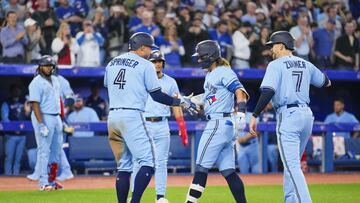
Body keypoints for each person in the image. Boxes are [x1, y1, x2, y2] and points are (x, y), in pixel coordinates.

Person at [104, 32, 196, 203]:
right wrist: (181, 103)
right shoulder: (145, 65)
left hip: (113, 116)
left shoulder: (112, 62)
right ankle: (135, 201)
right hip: (132, 115)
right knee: (150, 162)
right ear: (142, 47)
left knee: (124, 166)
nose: (150, 52)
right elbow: (158, 97)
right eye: (149, 48)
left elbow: (107, 85)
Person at [249, 31, 331, 203]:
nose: (271, 49)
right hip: (306, 115)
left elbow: (268, 91)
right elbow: (326, 82)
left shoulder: (275, 64)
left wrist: (255, 114)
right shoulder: (306, 63)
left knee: (292, 166)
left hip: (288, 115)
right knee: (290, 165)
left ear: (281, 45)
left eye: (273, 46)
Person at [185, 40, 249, 203]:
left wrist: (241, 112)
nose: (198, 60)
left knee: (200, 169)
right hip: (224, 125)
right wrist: (191, 101)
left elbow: (239, 91)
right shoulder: (211, 74)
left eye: (201, 57)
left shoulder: (223, 71)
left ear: (209, 56)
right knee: (229, 172)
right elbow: (210, 98)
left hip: (218, 124)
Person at [131, 50, 189, 203]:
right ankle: (134, 196)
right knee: (139, 161)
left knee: (161, 162)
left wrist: (182, 128)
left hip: (162, 124)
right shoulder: (141, 79)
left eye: (159, 61)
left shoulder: (170, 82)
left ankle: (160, 197)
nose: (157, 64)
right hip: (143, 124)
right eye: (154, 61)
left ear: (163, 63)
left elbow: (176, 106)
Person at [28, 55, 64, 191]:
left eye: (51, 66)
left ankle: (52, 181)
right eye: (46, 65)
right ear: (40, 66)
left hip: (57, 117)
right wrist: (41, 123)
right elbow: (35, 104)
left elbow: (58, 100)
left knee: (56, 151)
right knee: (44, 151)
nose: (49, 68)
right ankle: (43, 182)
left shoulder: (55, 80)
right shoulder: (36, 82)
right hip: (45, 116)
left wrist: (62, 119)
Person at [1, 84, 31, 175]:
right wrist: (14, 128)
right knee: (9, 158)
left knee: (18, 159)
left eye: (18, 90)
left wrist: (27, 111)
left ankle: (16, 178)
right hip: (10, 135)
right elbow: (5, 118)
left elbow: (28, 117)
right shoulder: (7, 103)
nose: (17, 91)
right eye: (15, 90)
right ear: (11, 91)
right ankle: (7, 177)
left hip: (22, 135)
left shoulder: (24, 102)